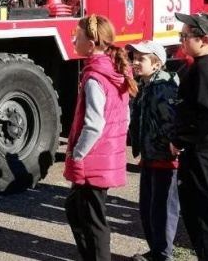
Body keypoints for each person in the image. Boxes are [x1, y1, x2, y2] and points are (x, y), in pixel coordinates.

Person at [65, 14, 138, 261]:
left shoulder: (95, 77)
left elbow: (94, 124)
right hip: (104, 155)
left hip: (93, 159)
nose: (74, 39)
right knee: (76, 209)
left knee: (93, 221)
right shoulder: (114, 70)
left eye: (78, 35)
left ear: (91, 43)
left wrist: (77, 153)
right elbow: (124, 117)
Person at [169, 12, 208, 261]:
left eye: (185, 36)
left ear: (205, 39)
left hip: (204, 151)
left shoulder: (205, 67)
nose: (182, 40)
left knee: (202, 214)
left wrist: (182, 139)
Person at [126, 41, 180, 261]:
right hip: (150, 156)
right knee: (149, 209)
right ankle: (156, 251)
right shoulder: (146, 85)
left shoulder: (163, 87)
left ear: (157, 64)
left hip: (164, 159)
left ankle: (163, 254)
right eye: (134, 57)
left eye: (142, 59)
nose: (135, 62)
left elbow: (171, 122)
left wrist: (170, 148)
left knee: (163, 210)